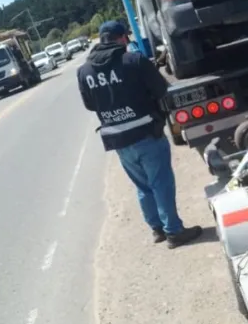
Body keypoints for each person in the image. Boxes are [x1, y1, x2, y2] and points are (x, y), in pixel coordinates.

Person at [77, 21, 202, 249]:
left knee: (143, 186)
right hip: (147, 133)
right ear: (122, 38)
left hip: (118, 139)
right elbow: (161, 89)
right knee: (160, 183)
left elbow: (89, 105)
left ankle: (157, 229)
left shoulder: (84, 72)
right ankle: (173, 231)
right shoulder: (134, 61)